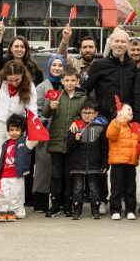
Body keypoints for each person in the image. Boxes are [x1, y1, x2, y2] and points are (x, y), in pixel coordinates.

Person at [0, 60, 38, 196]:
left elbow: (32, 110)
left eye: (17, 79)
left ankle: (17, 202)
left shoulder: (29, 86)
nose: (14, 83)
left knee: (14, 166)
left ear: (23, 75)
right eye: (10, 80)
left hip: (15, 128)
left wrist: (32, 130)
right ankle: (2, 202)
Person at [41, 65, 89, 218]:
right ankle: (55, 204)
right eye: (67, 80)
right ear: (62, 81)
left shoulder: (82, 97)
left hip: (71, 142)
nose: (69, 83)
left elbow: (85, 115)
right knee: (56, 175)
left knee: (69, 175)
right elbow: (45, 113)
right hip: (56, 140)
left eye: (72, 80)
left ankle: (68, 204)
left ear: (77, 81)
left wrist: (77, 120)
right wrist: (50, 106)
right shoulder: (55, 95)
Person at [32, 54, 66, 213]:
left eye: (60, 65)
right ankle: (41, 202)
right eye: (54, 65)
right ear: (49, 67)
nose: (57, 68)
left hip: (63, 133)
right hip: (45, 132)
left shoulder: (68, 85)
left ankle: (61, 201)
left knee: (62, 168)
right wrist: (42, 123)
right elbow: (36, 109)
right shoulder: (41, 87)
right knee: (43, 166)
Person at [65, 99, 108, 220]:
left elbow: (104, 148)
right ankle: (77, 210)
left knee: (94, 189)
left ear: (96, 114)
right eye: (84, 112)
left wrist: (104, 163)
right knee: (77, 189)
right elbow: (68, 145)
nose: (87, 115)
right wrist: (75, 138)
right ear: (80, 113)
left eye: (90, 113)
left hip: (94, 165)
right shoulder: (75, 127)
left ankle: (95, 210)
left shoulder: (100, 128)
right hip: (78, 165)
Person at [82, 27, 136, 121]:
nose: (119, 44)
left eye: (123, 42)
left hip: (127, 118)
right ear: (110, 43)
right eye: (116, 41)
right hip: (105, 118)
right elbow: (84, 90)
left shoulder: (132, 65)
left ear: (127, 44)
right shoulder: (99, 65)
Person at [106, 103, 140, 220]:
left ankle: (130, 210)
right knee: (116, 188)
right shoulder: (114, 124)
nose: (131, 112)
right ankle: (115, 210)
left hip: (131, 163)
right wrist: (117, 120)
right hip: (117, 163)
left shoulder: (134, 127)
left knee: (130, 188)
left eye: (131, 110)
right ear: (119, 112)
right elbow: (110, 134)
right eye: (128, 109)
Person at [0, 113, 33, 222]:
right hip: (5, 175)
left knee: (15, 195)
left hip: (17, 175)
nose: (14, 132)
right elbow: (2, 159)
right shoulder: (5, 144)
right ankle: (2, 210)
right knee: (3, 194)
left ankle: (12, 211)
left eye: (17, 130)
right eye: (11, 130)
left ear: (22, 130)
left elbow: (35, 138)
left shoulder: (25, 142)